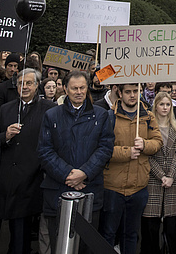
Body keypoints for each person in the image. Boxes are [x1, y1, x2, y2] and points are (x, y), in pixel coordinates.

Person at [39, 71, 115, 252]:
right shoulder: (51, 115)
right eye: (74, 88)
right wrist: (68, 174)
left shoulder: (101, 115)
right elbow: (44, 151)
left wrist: (84, 173)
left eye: (82, 88)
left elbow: (105, 148)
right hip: (58, 191)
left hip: (89, 190)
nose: (79, 92)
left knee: (87, 245)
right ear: (65, 89)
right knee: (59, 244)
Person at [0, 69, 55, 254]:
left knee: (20, 234)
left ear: (37, 85)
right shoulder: (6, 109)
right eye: (21, 83)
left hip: (31, 177)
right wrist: (5, 136)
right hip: (4, 178)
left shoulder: (49, 109)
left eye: (29, 83)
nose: (24, 87)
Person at [100, 83, 163, 254]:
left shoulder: (148, 116)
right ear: (119, 93)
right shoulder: (108, 117)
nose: (133, 95)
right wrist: (127, 152)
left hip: (138, 186)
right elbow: (102, 149)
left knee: (131, 235)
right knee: (108, 234)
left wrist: (145, 144)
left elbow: (158, 142)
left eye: (136, 91)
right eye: (128, 92)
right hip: (113, 187)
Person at [141, 92, 176, 254]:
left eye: (168, 105)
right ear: (156, 106)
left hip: (173, 182)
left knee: (172, 226)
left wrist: (171, 176)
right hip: (153, 181)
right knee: (150, 227)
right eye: (162, 104)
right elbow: (147, 155)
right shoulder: (148, 128)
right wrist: (162, 176)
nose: (165, 108)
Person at [0, 53, 23, 121]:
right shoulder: (0, 87)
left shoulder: (19, 86)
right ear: (6, 66)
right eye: (10, 65)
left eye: (15, 66)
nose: (12, 69)